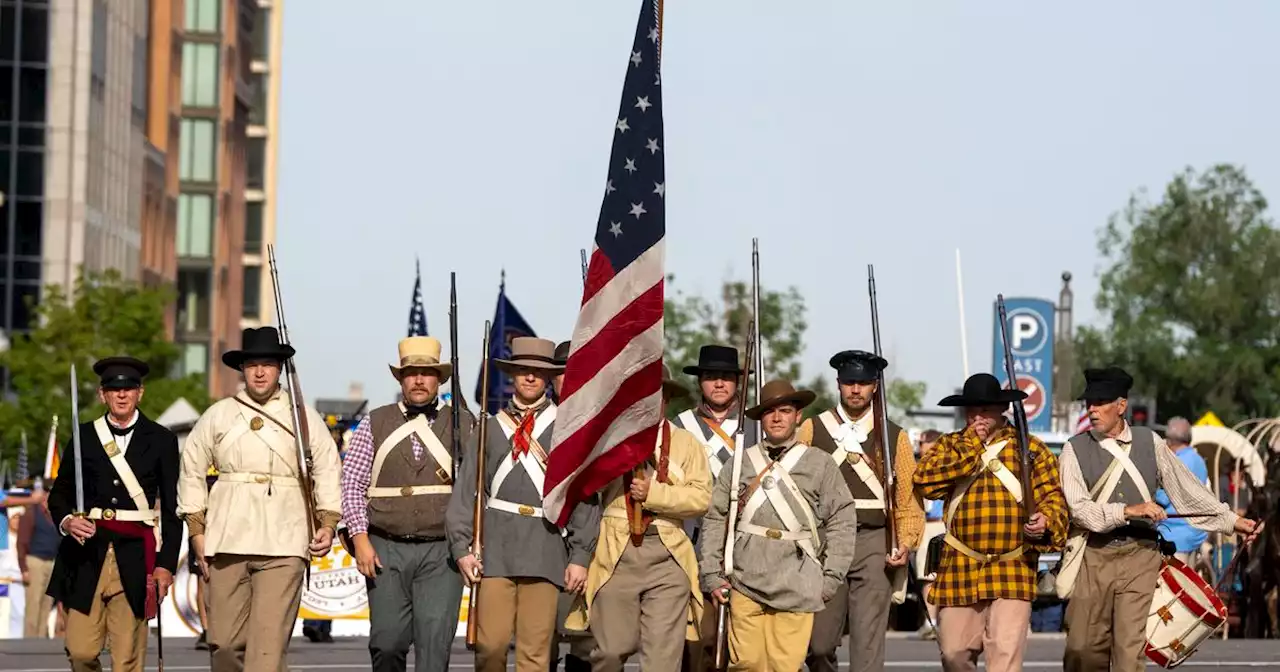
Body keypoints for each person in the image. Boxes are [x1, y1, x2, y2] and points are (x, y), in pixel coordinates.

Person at [1058, 367, 1258, 672]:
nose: (1092, 409)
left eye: (1100, 402)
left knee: (1129, 655)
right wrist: (1126, 511)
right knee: (1082, 651)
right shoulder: (1073, 449)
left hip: (1141, 557)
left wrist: (1232, 521)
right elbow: (1079, 510)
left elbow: (1187, 491)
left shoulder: (1149, 442)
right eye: (1089, 403)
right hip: (1093, 558)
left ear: (1121, 405)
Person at [178, 327, 343, 672]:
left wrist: (328, 522)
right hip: (227, 538)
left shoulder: (304, 418)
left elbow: (328, 468)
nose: (259, 371)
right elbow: (191, 468)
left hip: (284, 540)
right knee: (223, 645)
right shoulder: (219, 414)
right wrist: (196, 528)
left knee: (265, 655)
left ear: (279, 368)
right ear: (242, 368)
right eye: (252, 364)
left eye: (267, 364)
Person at [445, 337, 599, 672]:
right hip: (495, 550)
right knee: (490, 646)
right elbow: (465, 492)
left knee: (535, 653)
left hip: (545, 549)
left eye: (538, 372)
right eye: (523, 370)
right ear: (512, 376)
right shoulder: (489, 428)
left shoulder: (567, 430)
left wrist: (580, 556)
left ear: (548, 379)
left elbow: (584, 497)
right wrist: (461, 546)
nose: (530, 377)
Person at [913, 373, 1069, 672]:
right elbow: (925, 482)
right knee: (953, 653)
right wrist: (972, 443)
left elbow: (1054, 498)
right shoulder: (950, 445)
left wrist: (1045, 520)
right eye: (971, 410)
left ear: (1001, 410)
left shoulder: (1032, 450)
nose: (977, 417)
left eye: (985, 410)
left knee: (1005, 659)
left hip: (1013, 566)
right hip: (960, 565)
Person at [699, 379, 858, 671]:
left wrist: (831, 576)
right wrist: (711, 573)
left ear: (798, 416)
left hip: (796, 578)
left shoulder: (819, 464)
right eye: (770, 411)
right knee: (746, 664)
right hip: (745, 576)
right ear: (761, 418)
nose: (776, 418)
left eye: (784, 410)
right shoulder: (739, 464)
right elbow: (716, 518)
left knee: (784, 666)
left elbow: (842, 518)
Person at [565, 364, 712, 670]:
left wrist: (655, 494)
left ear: (666, 399)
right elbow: (586, 488)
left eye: (654, 394)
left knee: (662, 661)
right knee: (610, 651)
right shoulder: (607, 441)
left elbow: (700, 498)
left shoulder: (687, 444)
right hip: (617, 551)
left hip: (668, 552)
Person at [341, 336, 473, 672]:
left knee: (433, 650)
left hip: (442, 552)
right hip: (386, 548)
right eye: (411, 372)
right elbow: (352, 483)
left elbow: (477, 487)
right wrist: (359, 539)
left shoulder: (465, 425)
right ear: (400, 378)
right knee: (386, 644)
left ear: (439, 379)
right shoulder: (375, 421)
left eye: (427, 373)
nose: (418, 380)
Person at [46, 357, 182, 672]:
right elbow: (60, 494)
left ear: (140, 393)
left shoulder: (161, 439)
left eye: (129, 388)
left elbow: (173, 509)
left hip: (136, 557)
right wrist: (67, 520)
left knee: (127, 661)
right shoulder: (84, 436)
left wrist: (165, 565)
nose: (121, 394)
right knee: (80, 652)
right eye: (113, 388)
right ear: (102, 395)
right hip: (85, 555)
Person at [801, 350, 925, 672]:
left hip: (874, 541)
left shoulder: (893, 435)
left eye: (863, 383)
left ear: (874, 387)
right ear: (839, 384)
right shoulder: (812, 429)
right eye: (849, 382)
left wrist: (906, 542)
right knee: (818, 644)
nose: (855, 390)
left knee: (867, 645)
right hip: (826, 542)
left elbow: (907, 498)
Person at [670, 344, 758, 672]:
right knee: (697, 638)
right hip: (691, 539)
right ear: (700, 383)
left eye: (725, 377)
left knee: (742, 642)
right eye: (710, 377)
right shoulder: (679, 426)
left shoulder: (758, 427)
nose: (718, 384)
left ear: (737, 383)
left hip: (746, 542)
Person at [548, 339, 593, 672]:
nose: (569, 378)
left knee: (586, 636)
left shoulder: (599, 420)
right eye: (562, 372)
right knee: (542, 634)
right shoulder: (536, 421)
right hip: (543, 535)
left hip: (592, 534)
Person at [1155, 416, 1211, 566]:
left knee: (1172, 587)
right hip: (1195, 534)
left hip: (1174, 537)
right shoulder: (1198, 460)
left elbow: (1163, 498)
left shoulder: (1175, 463)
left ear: (1169, 441)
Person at [914, 429, 945, 639]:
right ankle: (931, 621)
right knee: (928, 576)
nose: (919, 447)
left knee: (941, 575)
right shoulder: (917, 467)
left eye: (921, 443)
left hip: (942, 523)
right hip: (927, 524)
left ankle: (941, 621)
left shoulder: (945, 466)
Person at [17, 480, 57, 638]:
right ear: (43, 494)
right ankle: (30, 639)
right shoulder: (32, 512)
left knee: (46, 603)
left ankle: (41, 639)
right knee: (33, 603)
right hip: (35, 561)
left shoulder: (54, 515)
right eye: (48, 493)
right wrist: (24, 568)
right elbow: (22, 542)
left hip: (51, 562)